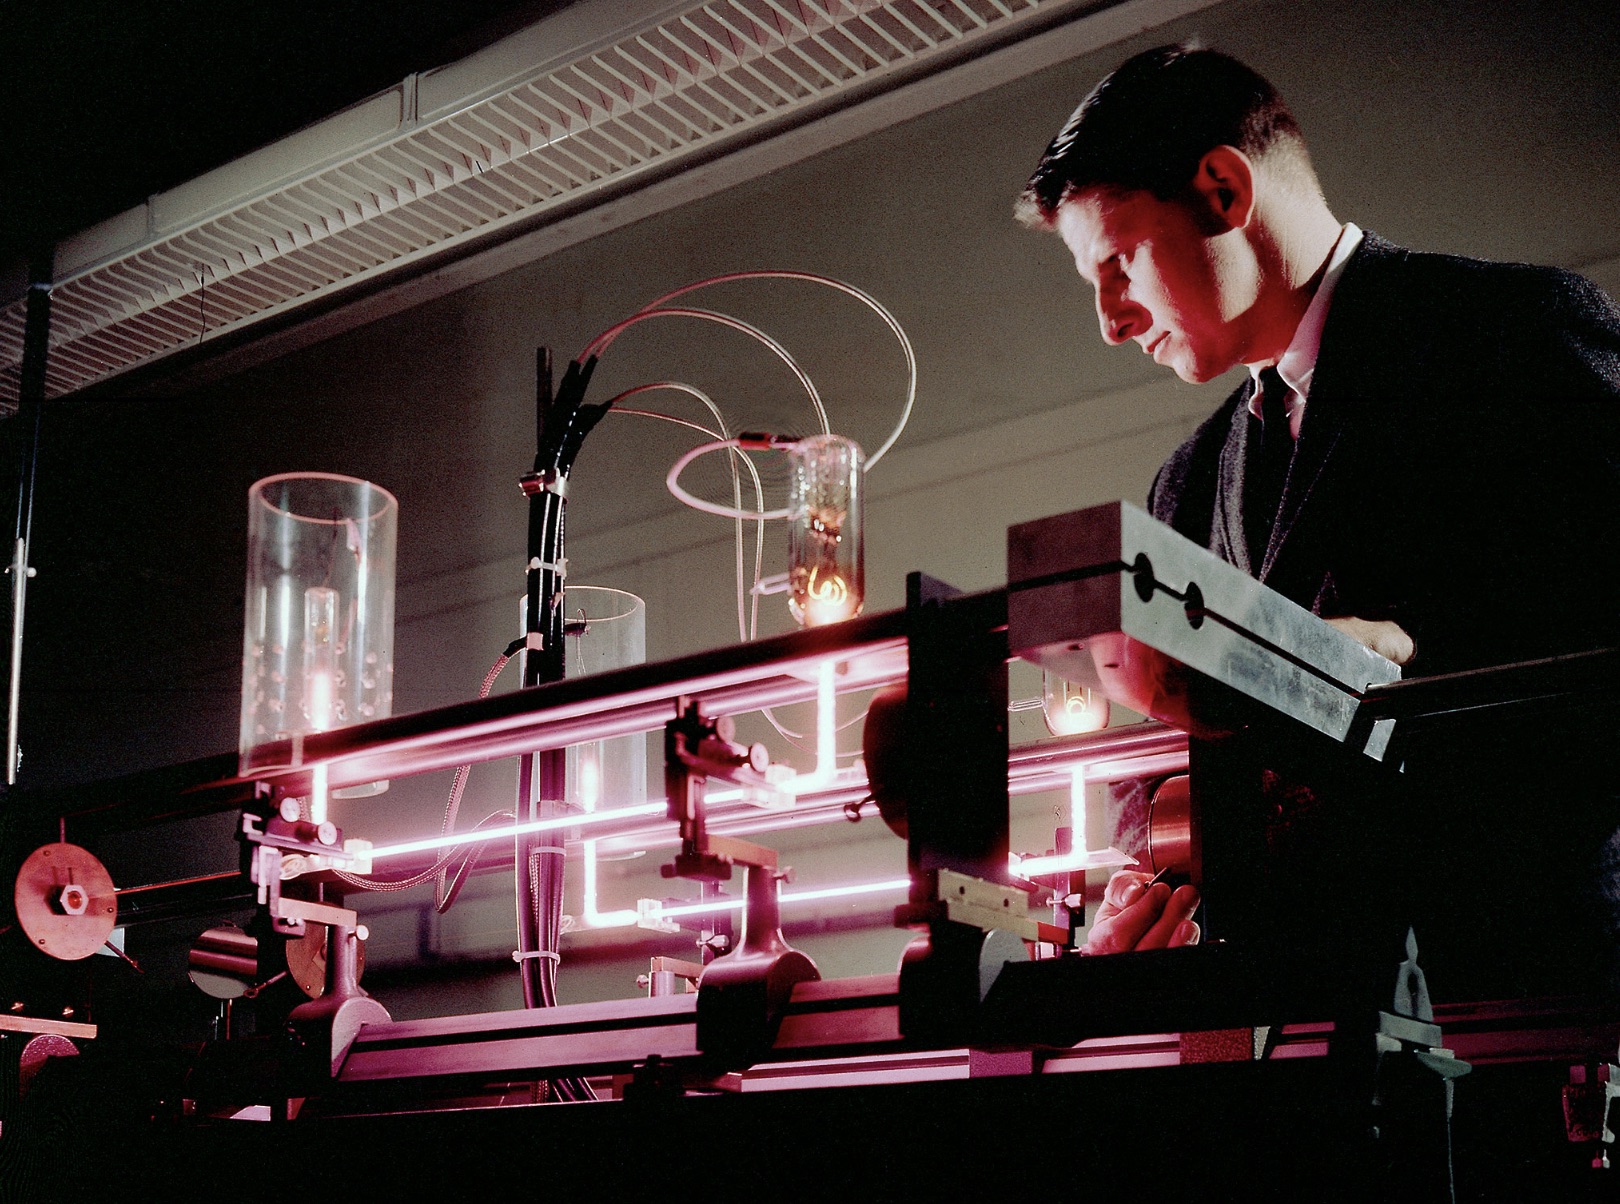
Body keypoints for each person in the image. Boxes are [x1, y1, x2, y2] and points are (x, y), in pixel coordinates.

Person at [1018, 44, 1620, 970]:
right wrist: (1149, 885)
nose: (1111, 318)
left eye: (1122, 263)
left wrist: (1392, 676)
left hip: (1536, 1005)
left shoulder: (1519, 338)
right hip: (1299, 1033)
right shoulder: (1185, 482)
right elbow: (1163, 782)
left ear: (1223, 189)